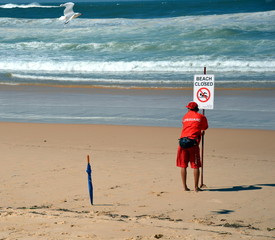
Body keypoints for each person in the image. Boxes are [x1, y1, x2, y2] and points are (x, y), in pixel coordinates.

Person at [176, 101, 208, 192]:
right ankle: (196, 187)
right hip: (193, 142)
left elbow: (186, 125)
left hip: (183, 141)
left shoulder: (185, 116)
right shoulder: (201, 116)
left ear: (189, 108)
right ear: (197, 108)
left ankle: (185, 187)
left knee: (183, 165)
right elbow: (205, 127)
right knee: (195, 165)